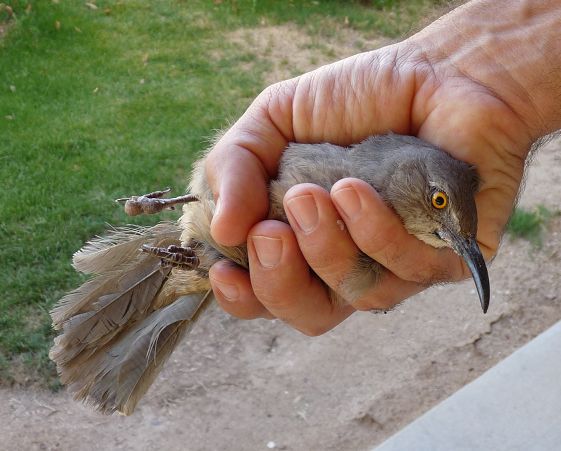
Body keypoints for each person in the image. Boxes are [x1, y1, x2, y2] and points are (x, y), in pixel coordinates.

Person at [203, 0, 561, 336]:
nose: (449, 232)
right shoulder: (341, 151)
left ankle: (194, 263)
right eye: (438, 201)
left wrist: (497, 94)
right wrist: (478, 82)